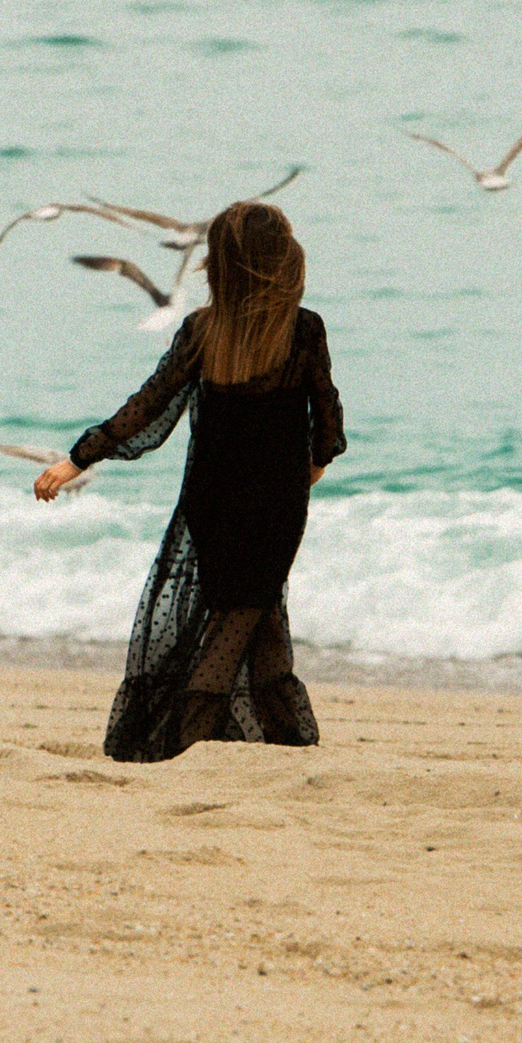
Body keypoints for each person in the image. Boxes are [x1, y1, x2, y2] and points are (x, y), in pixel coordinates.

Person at [33, 201, 346, 761]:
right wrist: (316, 464)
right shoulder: (303, 329)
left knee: (257, 613)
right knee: (239, 617)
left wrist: (81, 458)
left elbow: (149, 408)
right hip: (277, 505)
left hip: (211, 503)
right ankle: (190, 742)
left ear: (218, 265)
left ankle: (293, 743)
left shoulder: (204, 330)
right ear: (282, 263)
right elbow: (326, 414)